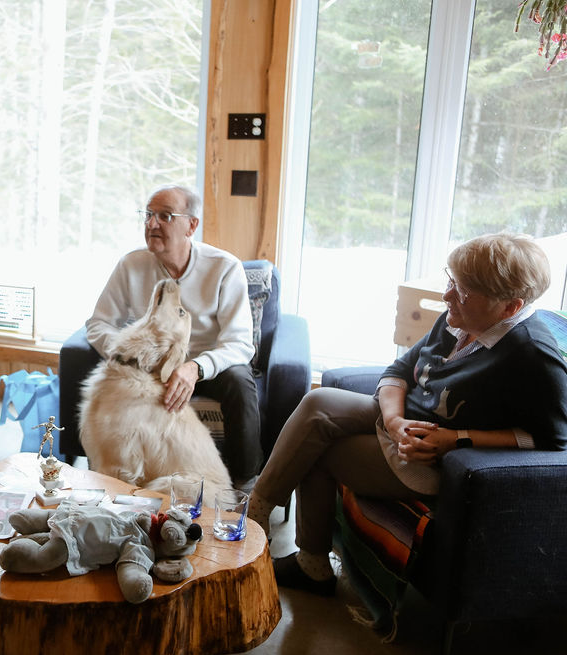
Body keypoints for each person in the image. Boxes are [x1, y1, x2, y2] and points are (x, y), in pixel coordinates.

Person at [246, 233, 567, 595]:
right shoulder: (457, 319)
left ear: (510, 307)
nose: (448, 297)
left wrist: (456, 440)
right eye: (451, 283)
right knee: (317, 404)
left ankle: (312, 566)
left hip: (426, 457)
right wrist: (395, 419)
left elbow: (552, 441)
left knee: (321, 452)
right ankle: (257, 510)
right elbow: (397, 371)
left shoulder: (533, 357)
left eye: (462, 292)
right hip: (400, 422)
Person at [86, 184, 263, 486]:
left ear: (191, 225)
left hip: (207, 366)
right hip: (148, 369)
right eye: (149, 215)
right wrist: (130, 357)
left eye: (165, 216)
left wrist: (195, 368)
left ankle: (247, 487)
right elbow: (98, 324)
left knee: (240, 382)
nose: (152, 224)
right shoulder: (131, 265)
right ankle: (106, 475)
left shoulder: (225, 268)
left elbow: (240, 343)